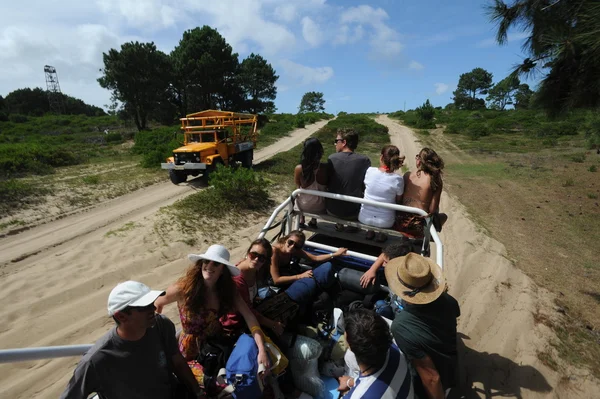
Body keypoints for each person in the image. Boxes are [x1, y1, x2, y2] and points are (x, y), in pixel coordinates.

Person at [60, 281, 204, 399]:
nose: (153, 308)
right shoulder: (96, 360)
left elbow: (177, 361)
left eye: (152, 303)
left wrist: (198, 393)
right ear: (121, 316)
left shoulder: (161, 326)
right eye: (144, 307)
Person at [154, 244, 270, 390]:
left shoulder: (227, 292)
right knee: (214, 387)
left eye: (216, 263)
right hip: (189, 349)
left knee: (236, 380)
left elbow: (250, 317)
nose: (209, 266)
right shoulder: (184, 289)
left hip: (216, 345)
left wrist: (261, 349)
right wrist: (160, 335)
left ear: (223, 270)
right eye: (206, 261)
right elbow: (157, 303)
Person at [385, 253, 460, 399]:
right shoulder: (449, 301)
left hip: (436, 384)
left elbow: (431, 378)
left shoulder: (401, 326)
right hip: (450, 364)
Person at [337, 309, 414, 398]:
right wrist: (350, 382)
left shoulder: (359, 396)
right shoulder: (394, 350)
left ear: (349, 345)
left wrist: (346, 393)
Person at [270, 230, 347, 306]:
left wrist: (336, 254)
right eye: (290, 242)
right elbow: (276, 280)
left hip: (286, 277)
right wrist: (300, 276)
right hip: (272, 283)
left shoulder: (294, 250)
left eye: (297, 246)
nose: (292, 246)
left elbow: (315, 258)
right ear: (285, 239)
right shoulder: (275, 252)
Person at [233, 238, 285, 336]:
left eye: (261, 258)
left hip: (251, 310)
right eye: (253, 255)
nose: (256, 259)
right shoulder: (237, 279)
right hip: (239, 320)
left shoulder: (255, 270)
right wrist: (273, 325)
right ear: (248, 253)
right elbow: (248, 311)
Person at [326, 128, 371, 231]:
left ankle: (339, 224)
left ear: (344, 142)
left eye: (336, 141)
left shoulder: (331, 158)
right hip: (353, 212)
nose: (335, 144)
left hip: (332, 210)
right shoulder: (364, 160)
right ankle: (351, 227)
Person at [396, 148, 447, 238]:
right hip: (418, 225)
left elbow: (399, 199)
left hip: (401, 220)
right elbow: (432, 209)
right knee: (444, 216)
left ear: (419, 161)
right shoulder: (435, 180)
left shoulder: (407, 175)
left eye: (417, 157)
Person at [359, 144, 405, 242]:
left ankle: (370, 231)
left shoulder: (369, 171)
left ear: (381, 157)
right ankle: (382, 235)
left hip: (364, 217)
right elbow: (399, 200)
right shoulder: (398, 179)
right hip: (386, 221)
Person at [294, 138, 328, 228]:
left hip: (303, 206)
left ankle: (302, 219)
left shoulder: (299, 168)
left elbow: (298, 186)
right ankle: (313, 220)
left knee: (300, 193)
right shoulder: (324, 168)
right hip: (320, 208)